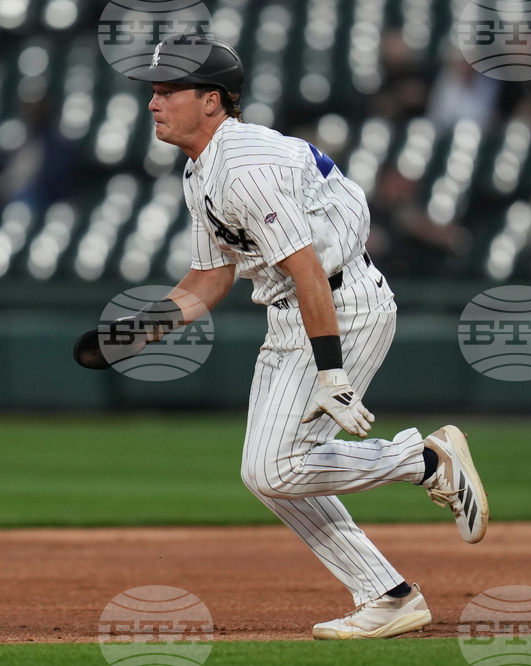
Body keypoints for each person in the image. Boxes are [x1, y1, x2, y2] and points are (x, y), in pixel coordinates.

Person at [73, 35, 489, 640]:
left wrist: (333, 373)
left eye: (168, 91)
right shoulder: (203, 167)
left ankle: (425, 459)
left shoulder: (243, 167)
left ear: (212, 100)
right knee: (269, 473)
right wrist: (141, 330)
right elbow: (213, 276)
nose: (153, 103)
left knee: (275, 470)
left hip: (340, 306)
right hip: (299, 309)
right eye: (153, 91)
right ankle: (389, 594)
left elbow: (308, 269)